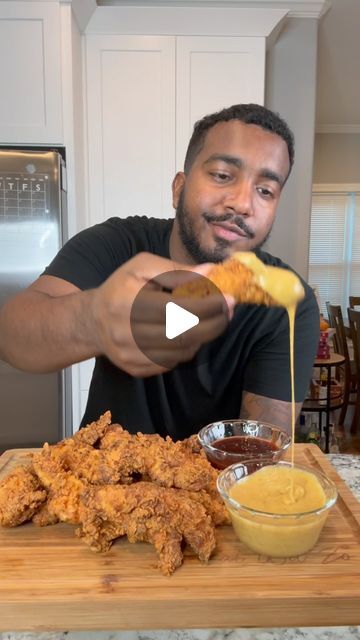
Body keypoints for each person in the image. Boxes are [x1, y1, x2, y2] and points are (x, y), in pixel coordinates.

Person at [0, 104, 319, 439]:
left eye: (265, 190)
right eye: (223, 175)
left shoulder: (289, 304)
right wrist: (96, 318)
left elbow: (264, 445)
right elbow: (11, 337)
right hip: (101, 479)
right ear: (178, 189)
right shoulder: (118, 244)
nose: (242, 203)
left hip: (215, 486)